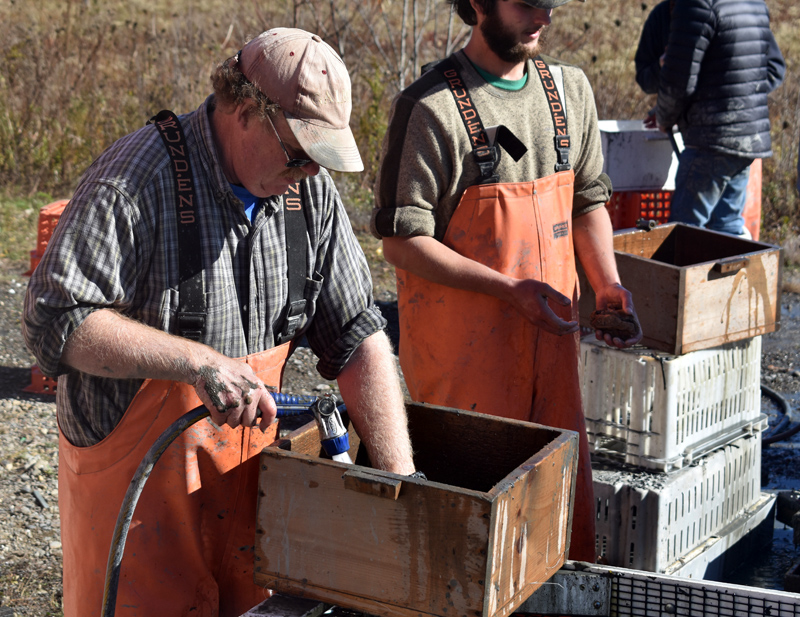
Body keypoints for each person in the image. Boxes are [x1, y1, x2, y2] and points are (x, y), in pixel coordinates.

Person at [23, 28, 417, 617]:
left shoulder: (307, 195)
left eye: (319, 158)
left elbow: (358, 334)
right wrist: (197, 362)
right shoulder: (136, 183)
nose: (309, 172)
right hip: (138, 529)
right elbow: (54, 318)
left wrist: (402, 487)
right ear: (241, 109)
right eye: (298, 153)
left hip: (249, 525)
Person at [371, 0, 642, 563]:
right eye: (525, 4)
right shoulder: (431, 108)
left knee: (556, 535)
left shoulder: (570, 91)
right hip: (467, 376)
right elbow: (401, 240)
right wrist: (507, 291)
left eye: (549, 4)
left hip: (554, 363)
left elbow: (588, 198)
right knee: (469, 547)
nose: (541, 16)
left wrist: (607, 283)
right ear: (476, 3)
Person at [655, 0, 785, 237]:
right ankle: (731, 274)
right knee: (727, 229)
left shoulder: (696, 5)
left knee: (683, 234)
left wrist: (664, 116)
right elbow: (772, 69)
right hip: (747, 138)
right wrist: (741, 104)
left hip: (711, 139)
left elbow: (678, 80)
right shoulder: (753, 3)